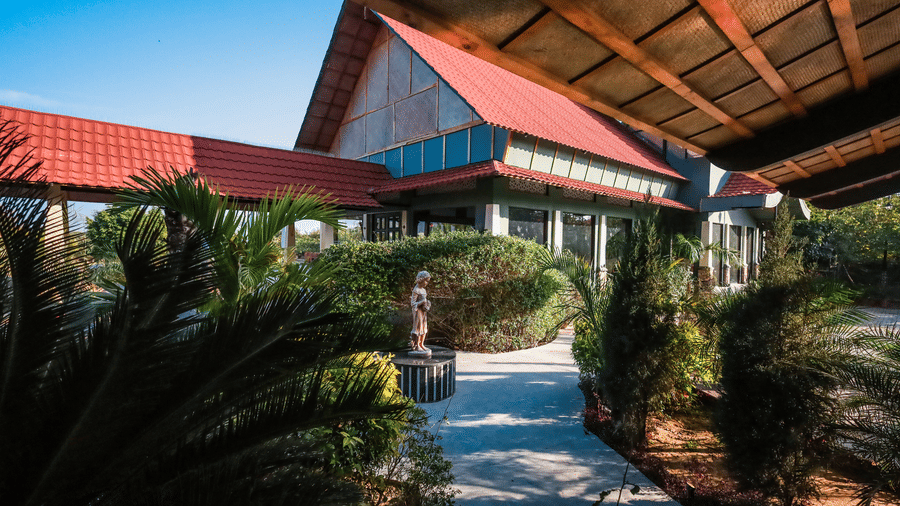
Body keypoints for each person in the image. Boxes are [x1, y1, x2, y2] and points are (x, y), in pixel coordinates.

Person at [410, 271, 431, 352]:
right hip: (418, 312)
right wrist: (421, 302)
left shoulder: (423, 290)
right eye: (426, 281)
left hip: (423, 311)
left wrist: (428, 304)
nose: (426, 283)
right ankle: (417, 345)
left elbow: (425, 301)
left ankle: (422, 344)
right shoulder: (416, 290)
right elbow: (413, 303)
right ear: (421, 280)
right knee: (418, 328)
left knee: (424, 328)